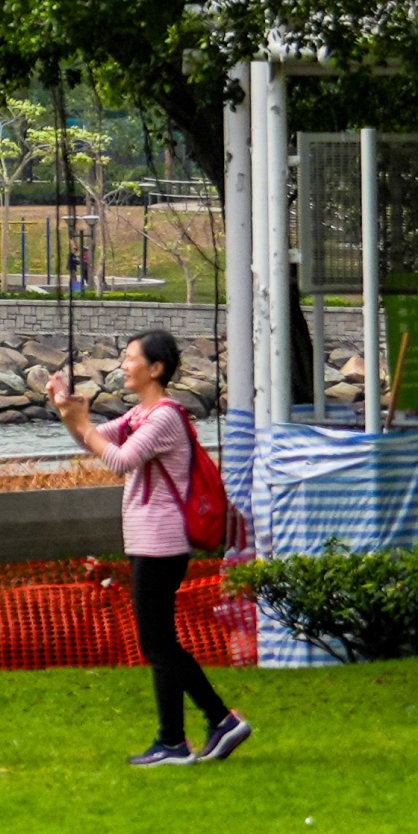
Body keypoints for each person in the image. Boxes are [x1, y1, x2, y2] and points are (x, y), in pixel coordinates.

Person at [51, 329, 251, 767]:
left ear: (155, 369)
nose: (124, 365)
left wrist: (83, 425)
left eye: (130, 358)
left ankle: (198, 729)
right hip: (148, 541)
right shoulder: (139, 416)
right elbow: (92, 441)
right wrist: (69, 414)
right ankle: (189, 733)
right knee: (159, 642)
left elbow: (120, 459)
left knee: (158, 643)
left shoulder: (164, 417)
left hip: (162, 543)